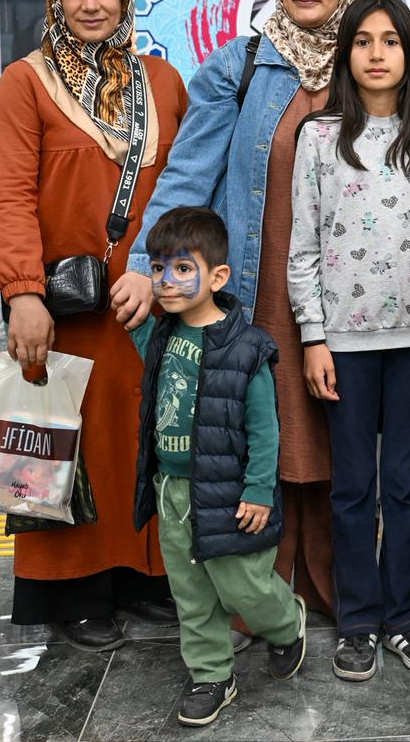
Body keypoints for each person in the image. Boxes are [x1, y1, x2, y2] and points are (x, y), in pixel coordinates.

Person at [113, 0, 367, 626]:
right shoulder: (242, 64)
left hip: (349, 303)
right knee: (262, 440)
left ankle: (337, 589)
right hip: (259, 298)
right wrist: (144, 263)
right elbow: (188, 174)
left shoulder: (372, 61)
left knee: (337, 447)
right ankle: (258, 597)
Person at [0, 0, 187, 649]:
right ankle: (72, 592)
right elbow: (7, 195)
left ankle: (144, 577)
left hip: (149, 303)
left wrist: (170, 278)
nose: (90, 4)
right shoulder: (25, 82)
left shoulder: (161, 82)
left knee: (145, 441)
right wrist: (23, 293)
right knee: (66, 444)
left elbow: (186, 191)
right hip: (64, 309)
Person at [287, 0, 410, 680]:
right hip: (344, 348)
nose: (377, 53)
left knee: (407, 486)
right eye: (362, 41)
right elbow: (302, 248)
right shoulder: (320, 138)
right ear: (344, 52)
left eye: (391, 40)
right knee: (353, 487)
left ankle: (405, 617)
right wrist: (313, 337)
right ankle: (358, 619)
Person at [130, 207, 307, 729]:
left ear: (218, 276)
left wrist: (257, 490)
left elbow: (265, 429)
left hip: (231, 493)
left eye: (183, 268)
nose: (167, 281)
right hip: (174, 491)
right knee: (191, 591)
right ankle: (211, 675)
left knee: (243, 586)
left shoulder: (247, 348)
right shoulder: (159, 335)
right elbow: (132, 315)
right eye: (160, 268)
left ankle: (285, 624)